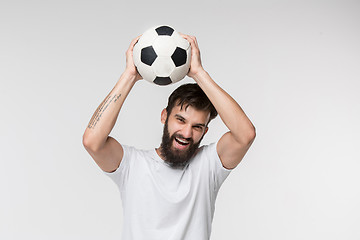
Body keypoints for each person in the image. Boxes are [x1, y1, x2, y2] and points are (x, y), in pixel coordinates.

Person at [83, 34, 256, 240]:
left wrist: (199, 73)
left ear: (205, 132)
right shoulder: (133, 165)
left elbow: (245, 134)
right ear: (164, 116)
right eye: (180, 120)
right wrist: (129, 76)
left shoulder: (208, 166)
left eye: (197, 126)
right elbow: (92, 141)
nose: (186, 133)